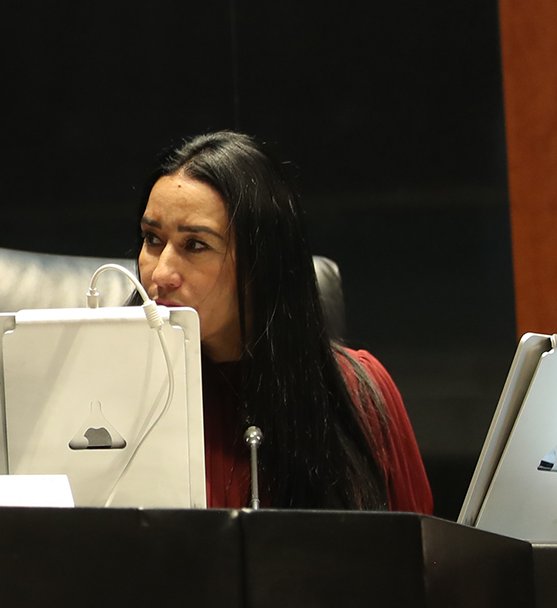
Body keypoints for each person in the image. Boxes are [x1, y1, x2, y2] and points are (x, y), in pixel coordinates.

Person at [136, 131, 431, 512]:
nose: (161, 273)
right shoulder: (116, 388)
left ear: (262, 263)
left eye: (195, 245)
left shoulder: (358, 392)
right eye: (152, 239)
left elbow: (417, 545)